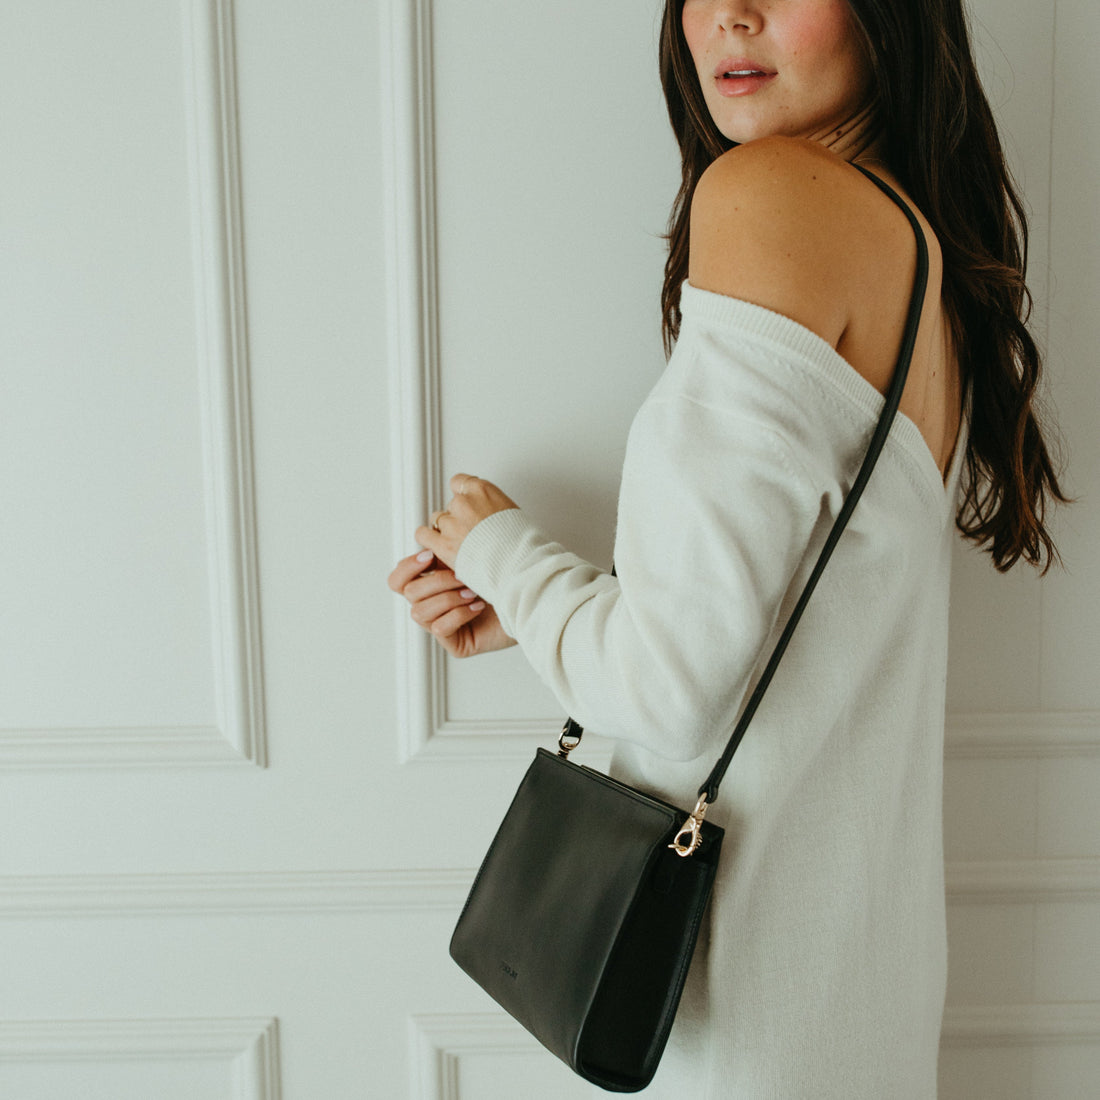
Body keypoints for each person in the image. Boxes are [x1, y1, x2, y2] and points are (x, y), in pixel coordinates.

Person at [389, 1, 1067, 1095]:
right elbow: (783, 625)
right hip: (856, 992)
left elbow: (667, 691)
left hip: (731, 1012)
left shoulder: (767, 192)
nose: (732, 14)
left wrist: (500, 547)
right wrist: (541, 609)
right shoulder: (913, 241)